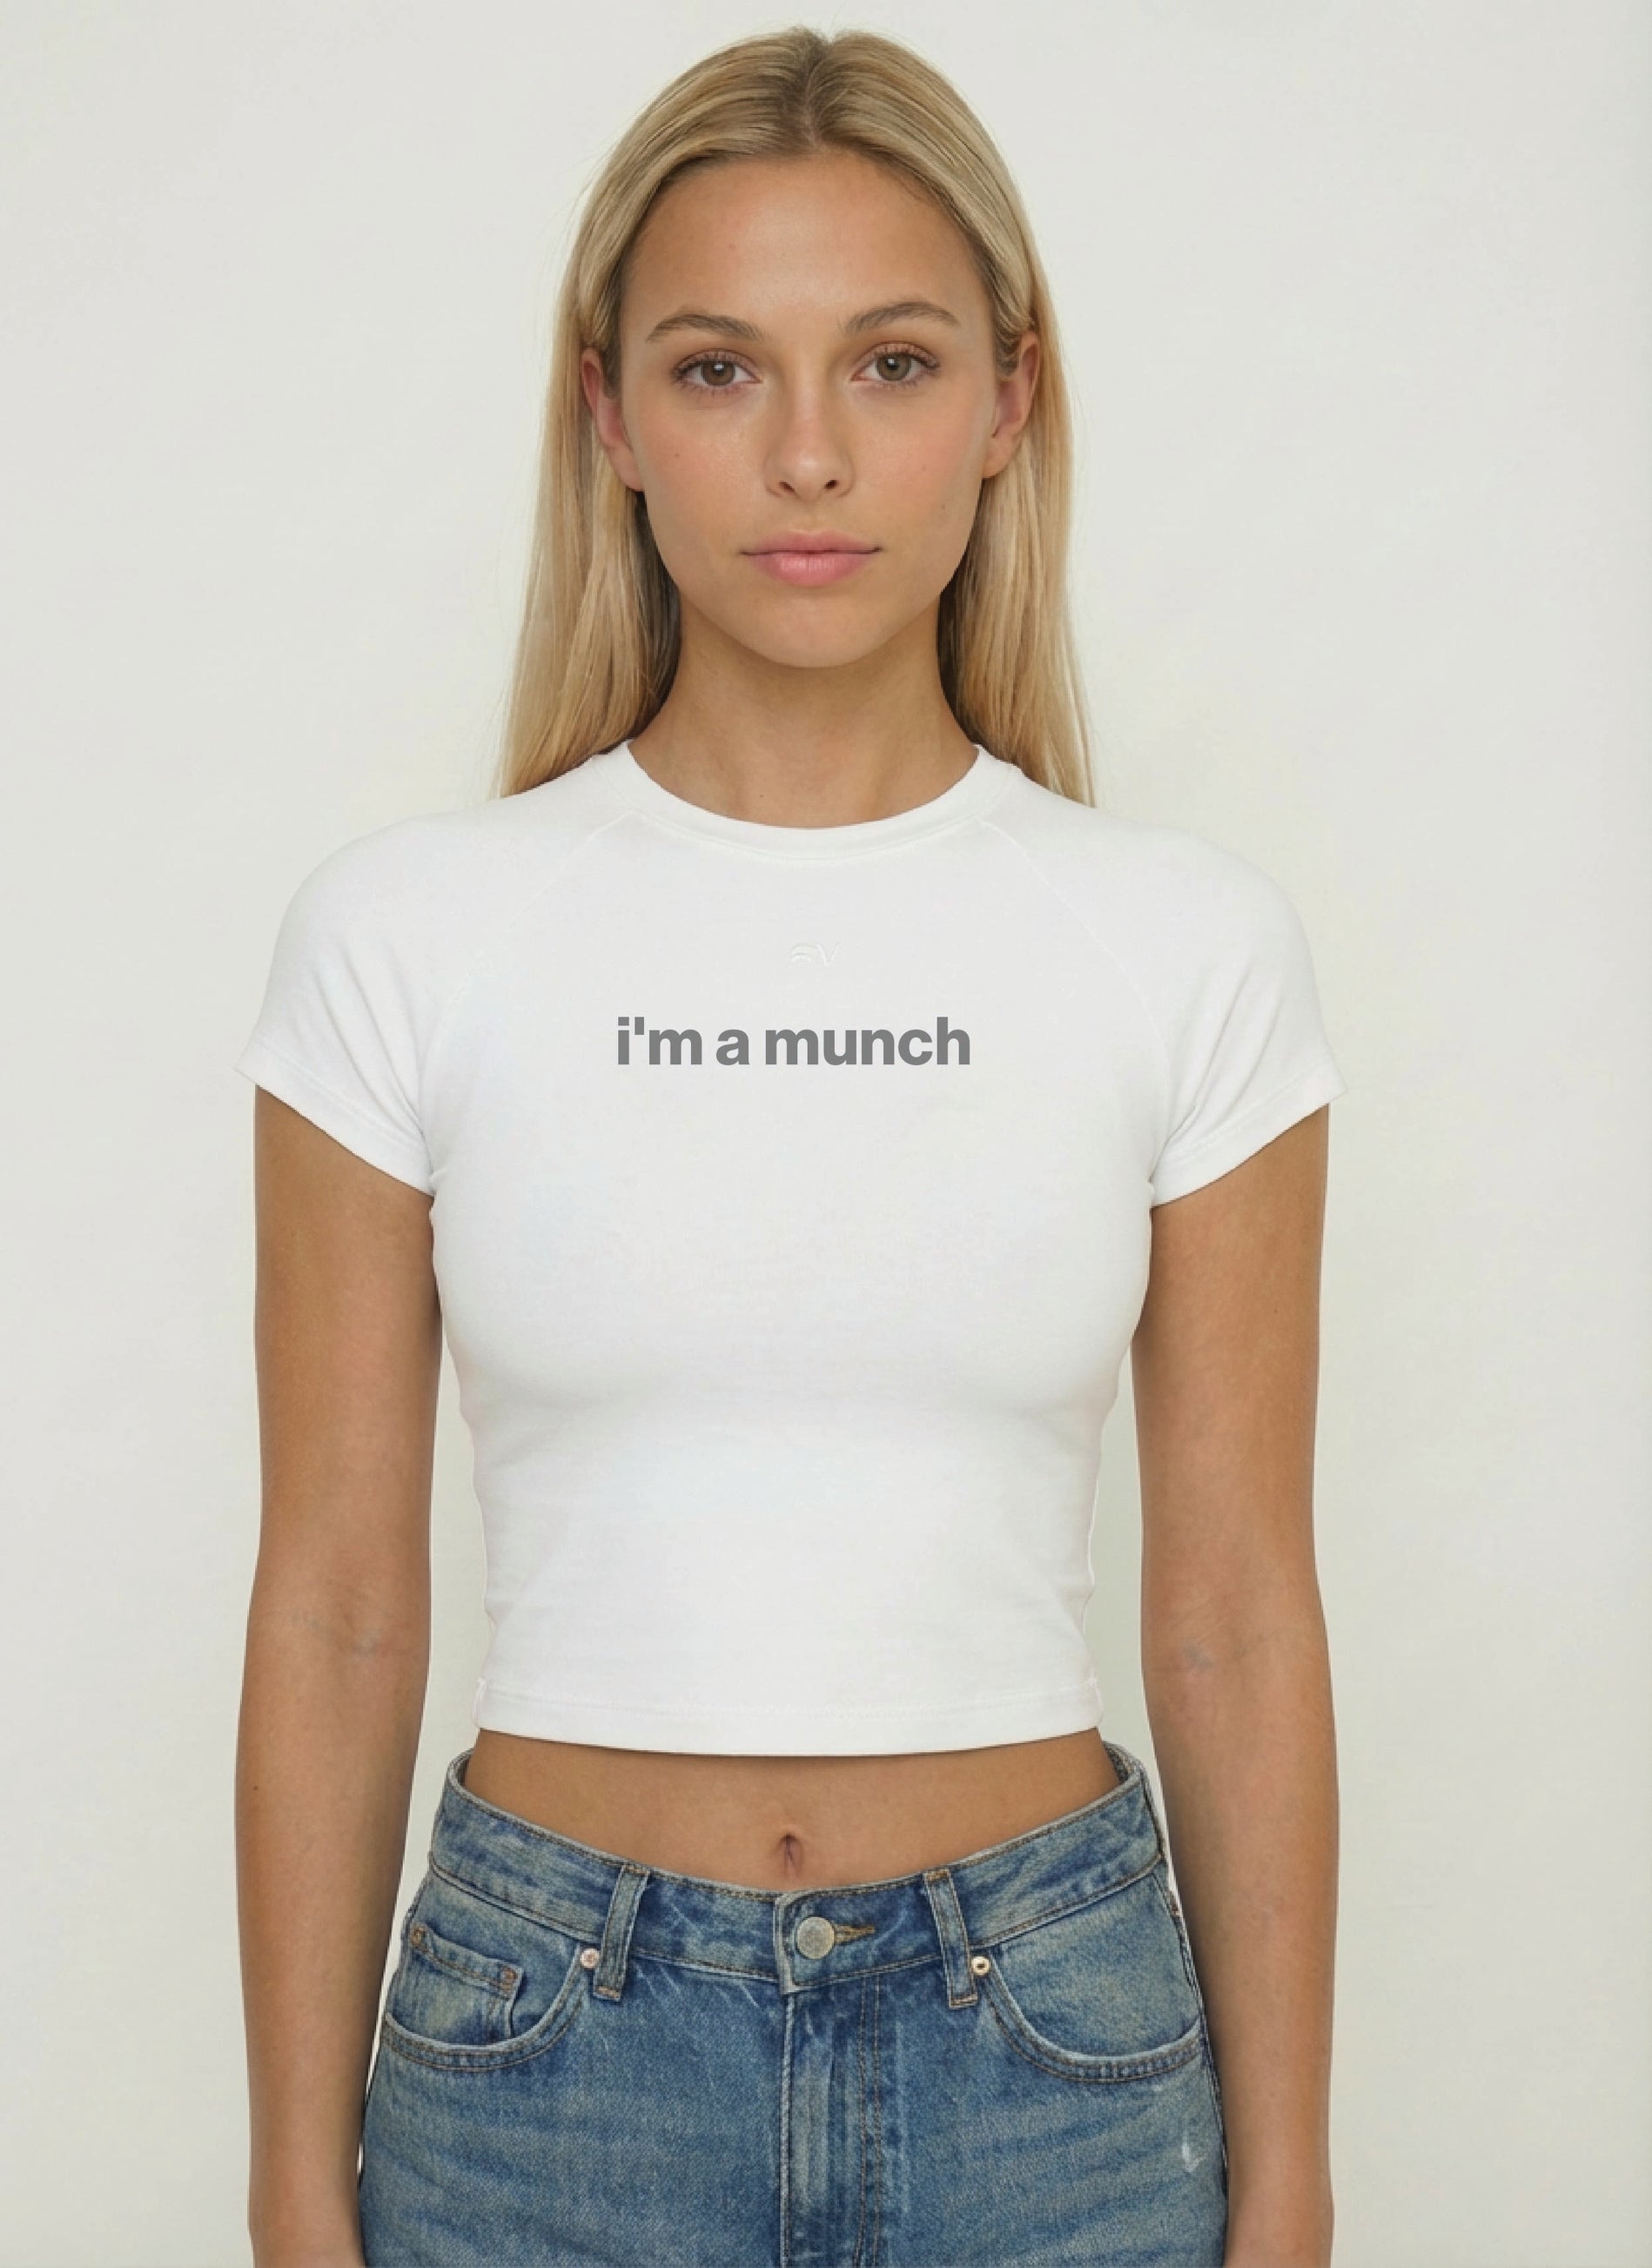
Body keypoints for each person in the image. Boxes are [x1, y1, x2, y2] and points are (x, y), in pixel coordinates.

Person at [234, 25, 1345, 2268]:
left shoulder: (1184, 946)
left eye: (895, 365)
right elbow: (339, 1607)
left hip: (1056, 2070)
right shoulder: (405, 937)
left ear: (1009, 404)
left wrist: (1296, 2187)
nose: (811, 453)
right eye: (721, 368)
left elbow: (1235, 1615)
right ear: (609, 413)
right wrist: (286, 2191)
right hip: (540, 2070)